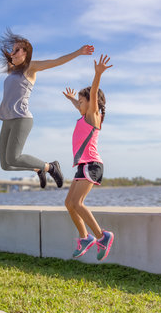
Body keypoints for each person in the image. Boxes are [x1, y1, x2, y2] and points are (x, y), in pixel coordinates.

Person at [0, 29, 94, 188]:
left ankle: (51, 167)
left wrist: (79, 52)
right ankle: (39, 168)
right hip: (7, 119)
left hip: (21, 119)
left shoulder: (31, 68)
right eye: (12, 50)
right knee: (6, 165)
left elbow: (56, 61)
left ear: (26, 53)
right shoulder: (13, 70)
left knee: (13, 158)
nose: (13, 53)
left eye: (16, 50)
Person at [62, 54, 114, 261]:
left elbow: (92, 95)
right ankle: (85, 238)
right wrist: (72, 99)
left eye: (82, 102)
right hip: (83, 166)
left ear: (91, 103)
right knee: (69, 203)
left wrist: (97, 74)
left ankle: (103, 236)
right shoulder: (84, 114)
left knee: (78, 203)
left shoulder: (93, 116)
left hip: (91, 165)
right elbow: (80, 104)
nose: (79, 104)